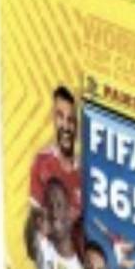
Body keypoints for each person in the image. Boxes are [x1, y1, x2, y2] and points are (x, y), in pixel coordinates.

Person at [25, 85, 81, 253]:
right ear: (54, 119)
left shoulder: (86, 172)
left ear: (77, 124)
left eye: (71, 119)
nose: (66, 125)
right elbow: (35, 224)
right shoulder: (41, 163)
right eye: (60, 116)